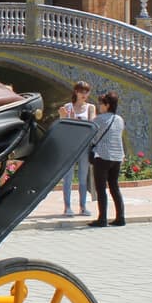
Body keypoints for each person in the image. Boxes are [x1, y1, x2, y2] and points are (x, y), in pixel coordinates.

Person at [88, 91, 126, 228]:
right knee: (115, 187)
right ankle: (120, 217)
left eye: (101, 104)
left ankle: (102, 218)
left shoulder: (99, 119)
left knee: (101, 188)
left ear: (107, 105)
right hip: (117, 157)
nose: (99, 106)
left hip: (102, 156)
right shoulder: (120, 119)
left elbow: (92, 137)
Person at [58, 81, 96, 216]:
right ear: (76, 92)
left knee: (82, 177)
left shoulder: (90, 107)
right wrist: (64, 117)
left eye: (86, 91)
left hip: (84, 146)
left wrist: (76, 121)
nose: (84, 94)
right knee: (68, 178)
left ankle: (83, 206)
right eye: (81, 91)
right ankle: (67, 207)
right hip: (70, 146)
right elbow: (63, 126)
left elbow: (92, 125)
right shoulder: (68, 107)